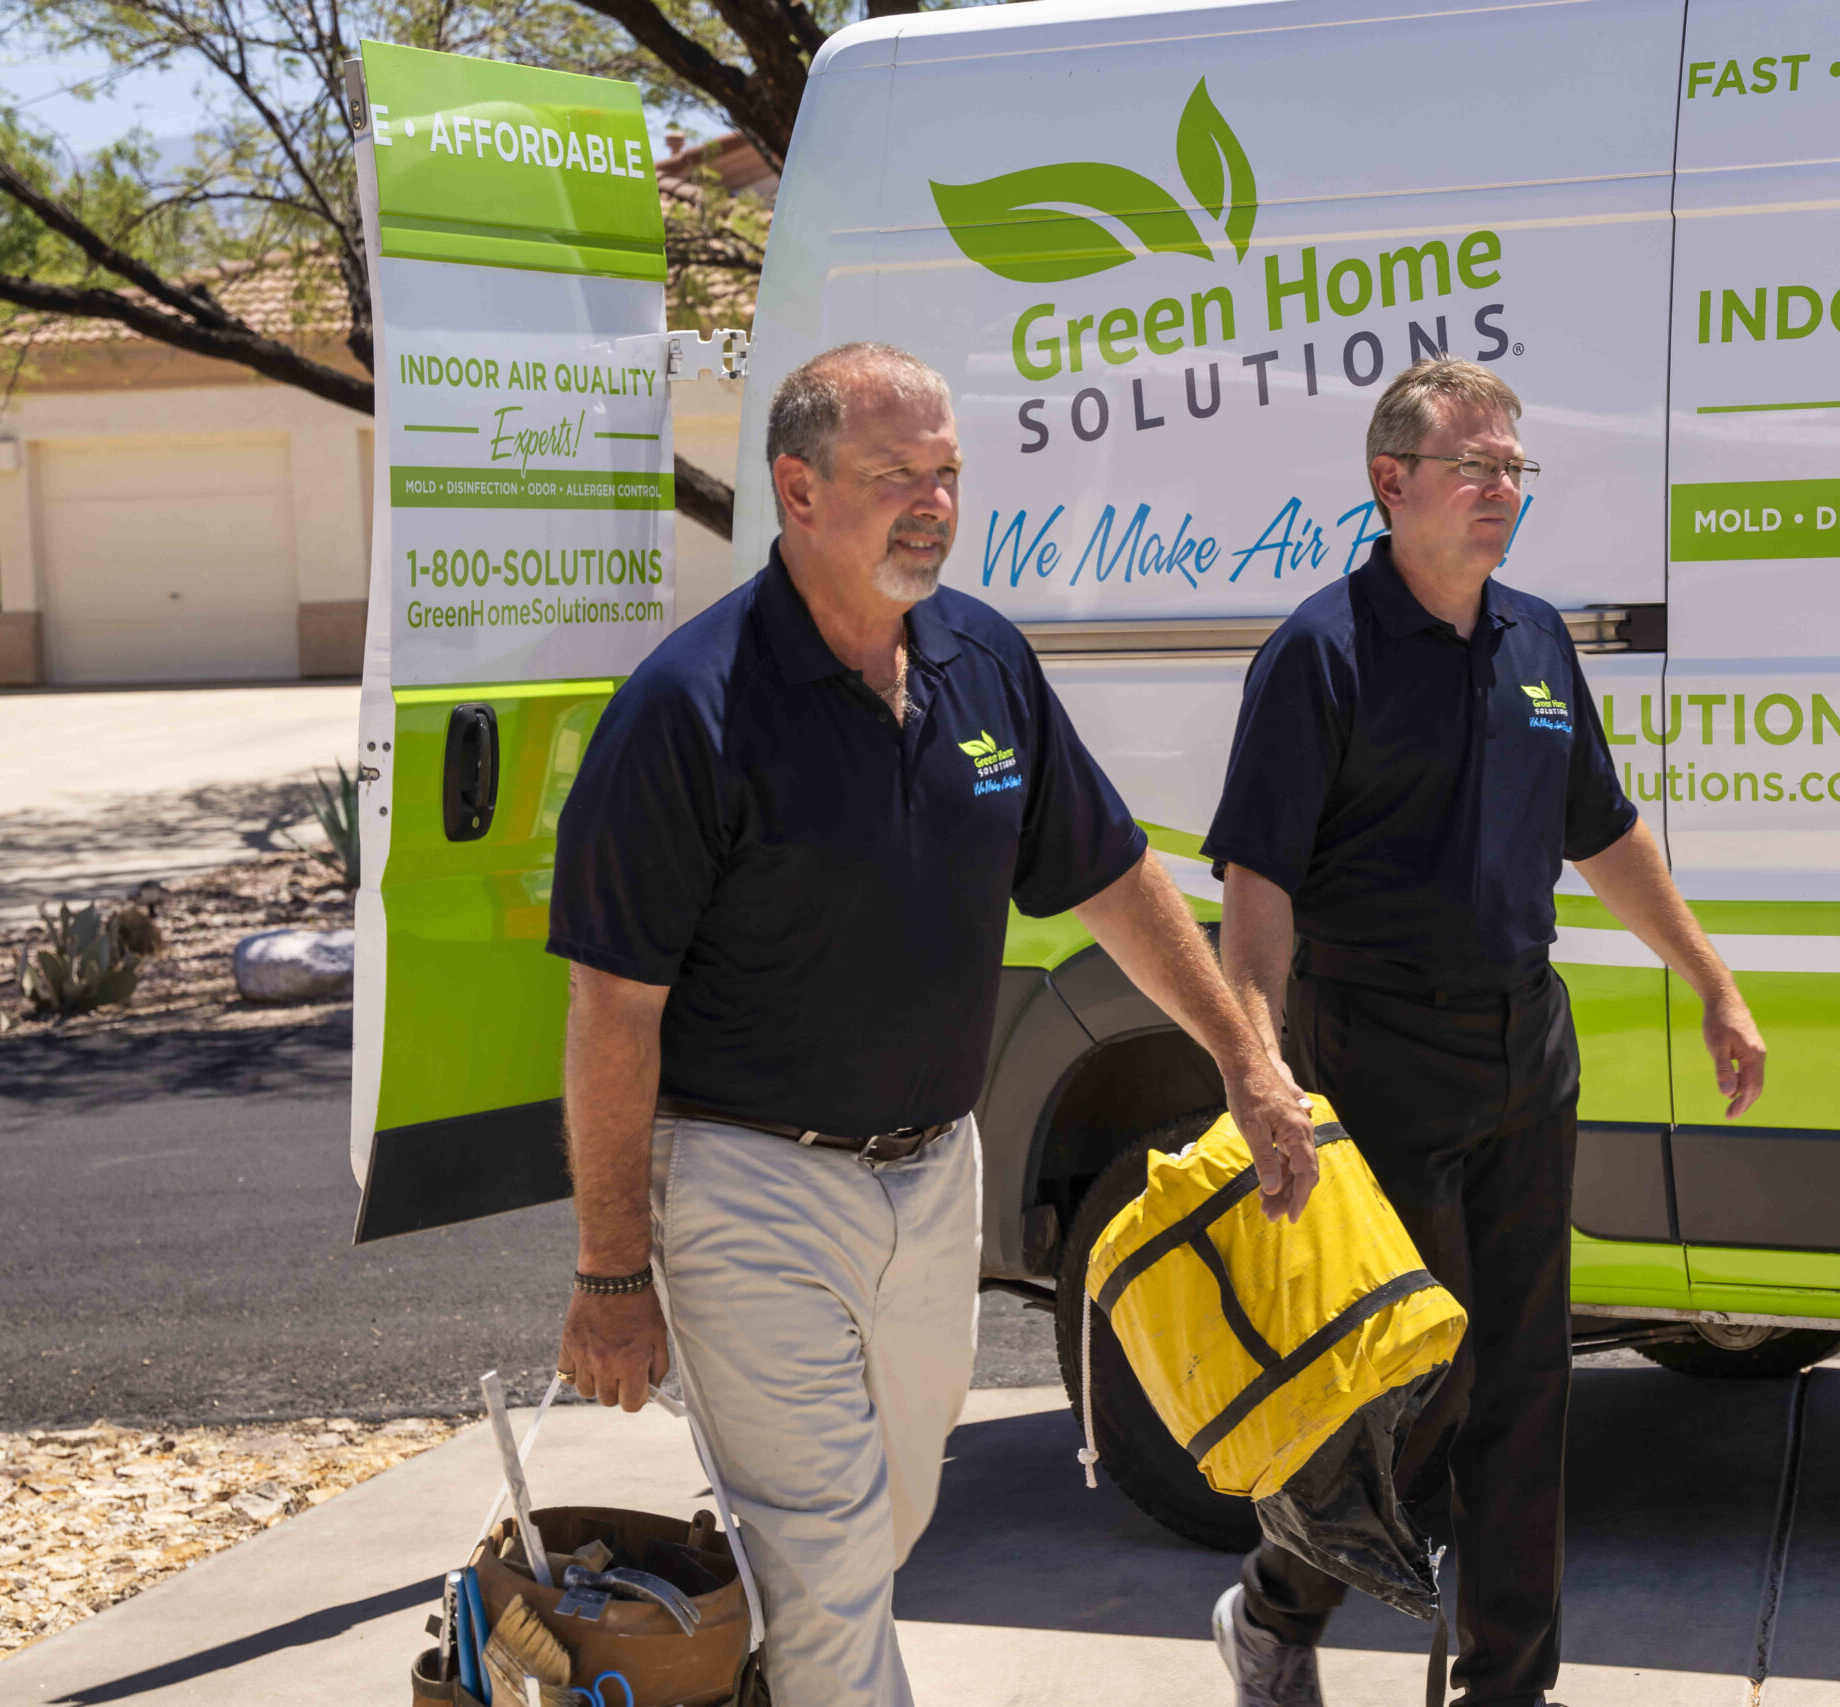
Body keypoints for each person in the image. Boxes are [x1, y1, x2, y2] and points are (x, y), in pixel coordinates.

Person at [545, 342, 1321, 1707]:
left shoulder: (980, 659)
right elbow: (613, 1011)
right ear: (796, 489)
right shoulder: (687, 710)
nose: (933, 502)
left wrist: (1244, 1058)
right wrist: (612, 1271)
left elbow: (1110, 875)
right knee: (831, 1558)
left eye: (947, 473)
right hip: (746, 1184)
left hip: (933, 1180)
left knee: (881, 1526)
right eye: (896, 474)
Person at [1200, 358, 1768, 1707]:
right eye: (1473, 465)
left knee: (1527, 1387)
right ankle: (1276, 1604)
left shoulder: (1533, 640)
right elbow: (1258, 891)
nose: (1499, 489)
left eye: (1514, 467)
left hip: (1526, 1048)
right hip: (1373, 1049)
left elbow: (1605, 831)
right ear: (1391, 483)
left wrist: (1710, 976)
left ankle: (1509, 1687)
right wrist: (1260, 1067)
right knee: (1413, 1387)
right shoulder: (1320, 654)